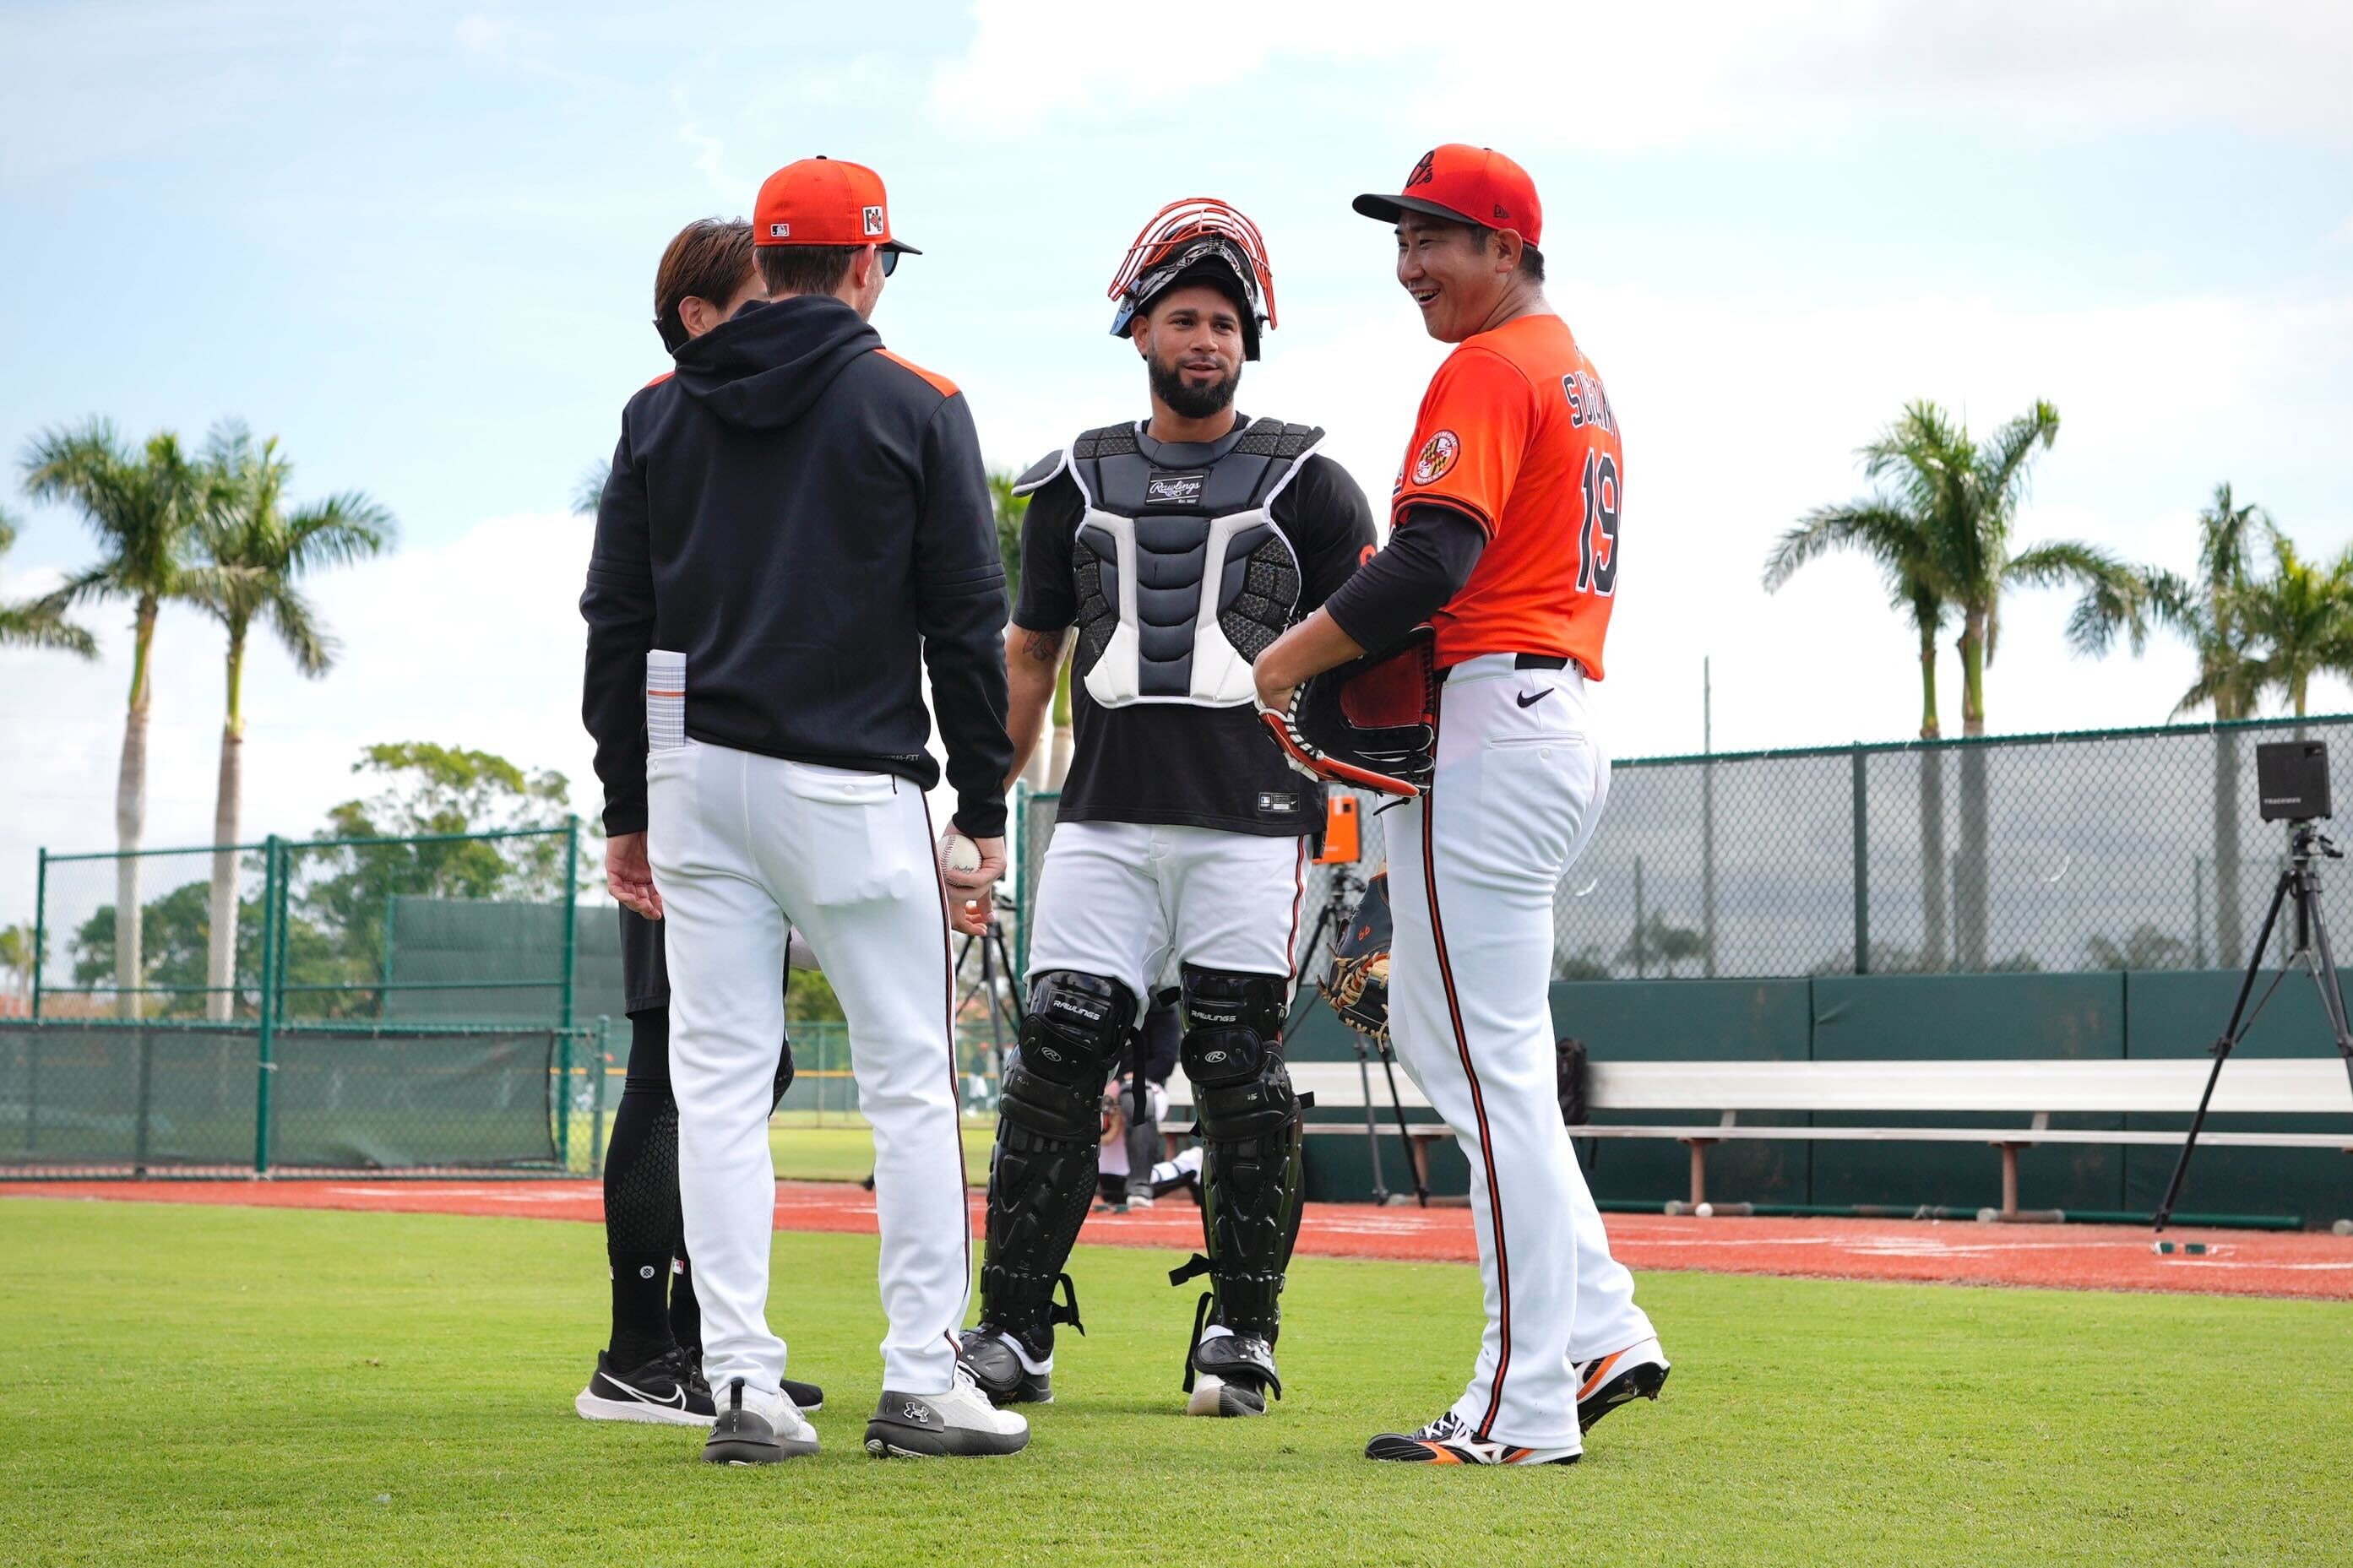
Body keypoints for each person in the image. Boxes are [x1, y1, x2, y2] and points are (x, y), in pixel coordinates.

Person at [581, 157, 1025, 1462]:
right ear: (867, 263)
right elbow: (965, 619)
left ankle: (740, 1386)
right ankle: (920, 1375)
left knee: (712, 1085)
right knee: (911, 1080)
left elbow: (620, 619)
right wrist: (985, 806)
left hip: (696, 781)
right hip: (851, 779)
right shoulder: (918, 400)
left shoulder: (658, 410)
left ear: (766, 263)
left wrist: (626, 801)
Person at [1253, 144, 1668, 1466]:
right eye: (1400, 235)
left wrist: (1286, 657)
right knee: (1461, 1047)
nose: (1409, 262)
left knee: (1486, 1071)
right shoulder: (1569, 371)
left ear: (1506, 249)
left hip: (1495, 721)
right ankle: (1598, 1320)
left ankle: (1519, 1402)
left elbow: (1436, 557)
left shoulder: (1490, 364)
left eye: (1435, 236)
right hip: (1537, 717)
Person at [960, 198, 1377, 1419]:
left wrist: (1362, 843)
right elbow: (1029, 655)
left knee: (1237, 1066)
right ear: (1138, 328)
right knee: (1056, 1059)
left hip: (1252, 818)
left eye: (1227, 323)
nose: (1208, 339)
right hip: (1100, 817)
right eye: (1186, 317)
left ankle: (1242, 1330)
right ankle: (1012, 1328)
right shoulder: (1074, 479)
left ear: (1251, 341)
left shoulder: (1312, 483)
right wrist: (983, 809)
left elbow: (1366, 667)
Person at [573, 218, 826, 1430]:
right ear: (696, 314)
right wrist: (629, 793)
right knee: (672, 1064)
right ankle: (637, 1350)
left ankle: (695, 1338)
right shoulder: (666, 418)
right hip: (681, 766)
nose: (783, 312)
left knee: (739, 1060)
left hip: (740, 765)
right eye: (758, 293)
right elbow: (617, 616)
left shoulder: (762, 425)